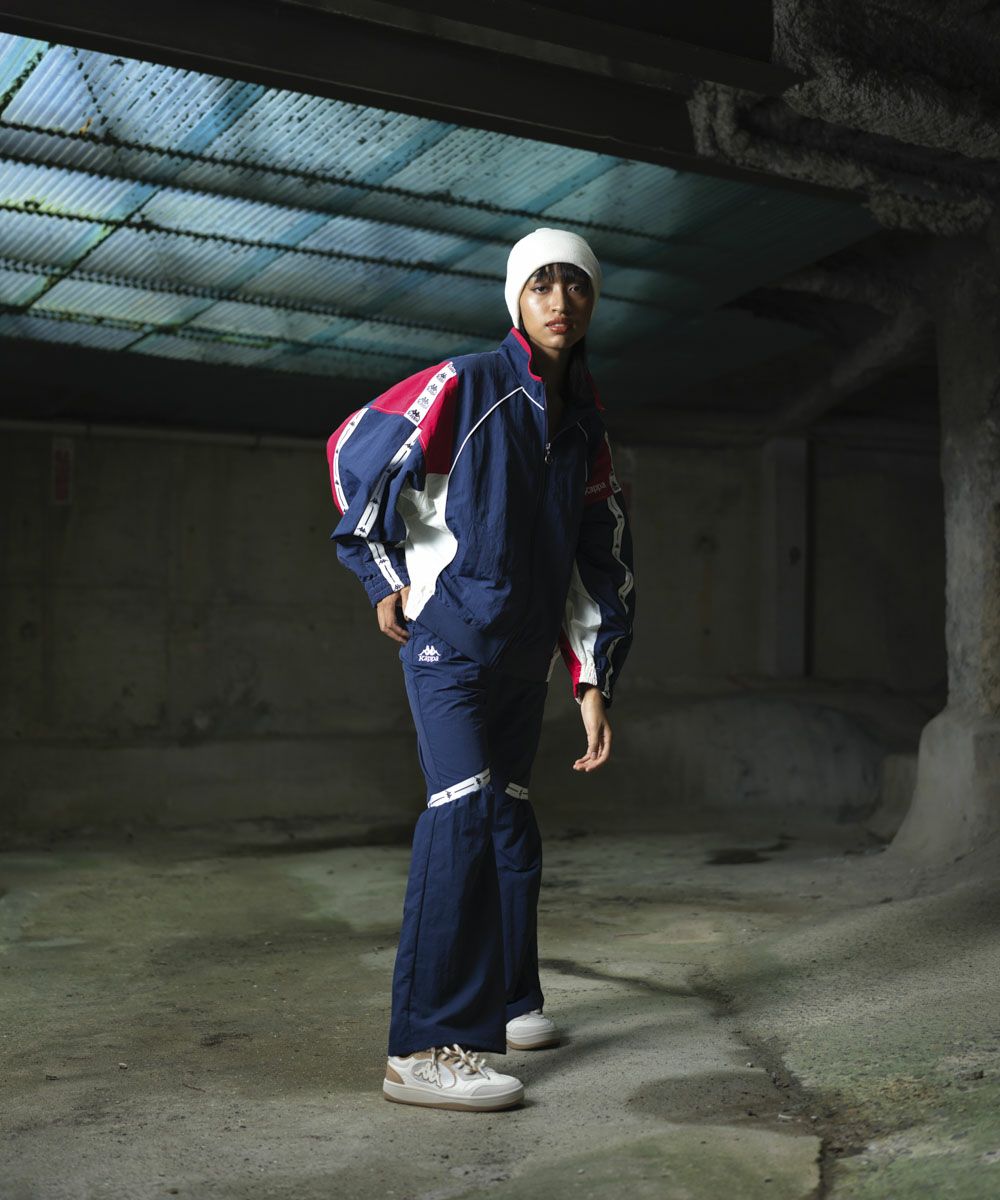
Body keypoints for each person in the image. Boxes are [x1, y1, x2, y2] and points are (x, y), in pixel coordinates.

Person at [325, 227, 637, 1111]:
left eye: (575, 285)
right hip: (449, 640)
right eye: (541, 284)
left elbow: (600, 557)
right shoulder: (467, 384)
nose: (560, 301)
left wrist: (591, 677)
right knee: (461, 816)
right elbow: (354, 446)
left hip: (523, 656)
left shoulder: (585, 426)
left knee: (508, 822)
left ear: (593, 300)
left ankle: (507, 999)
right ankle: (422, 1047)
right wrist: (383, 572)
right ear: (516, 298)